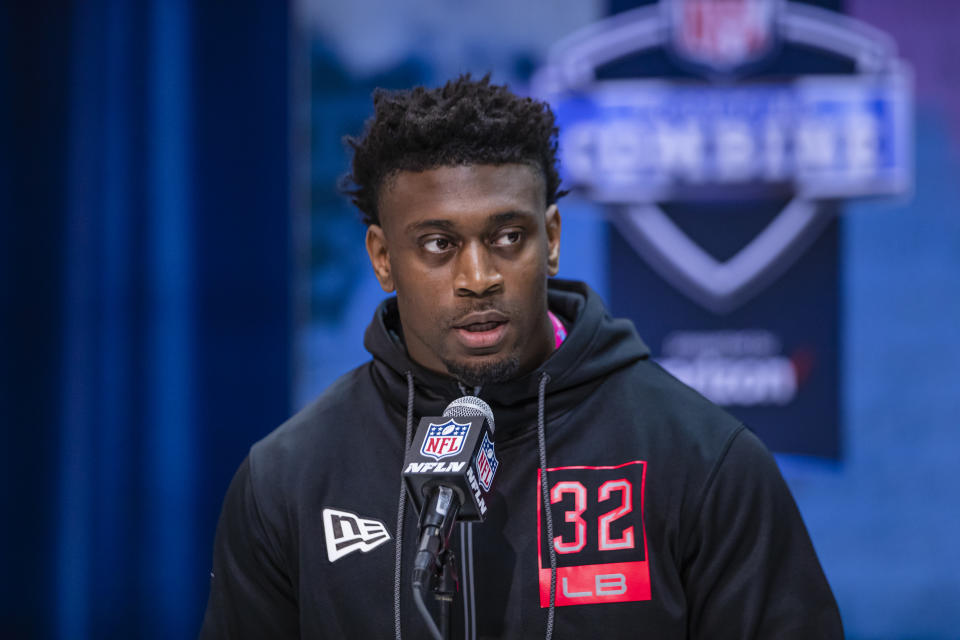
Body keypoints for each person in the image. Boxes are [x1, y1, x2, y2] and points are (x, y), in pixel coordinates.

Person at [200, 75, 843, 639]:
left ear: (552, 239)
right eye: (437, 244)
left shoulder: (702, 460)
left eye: (508, 236)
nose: (478, 276)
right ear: (381, 258)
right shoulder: (288, 480)